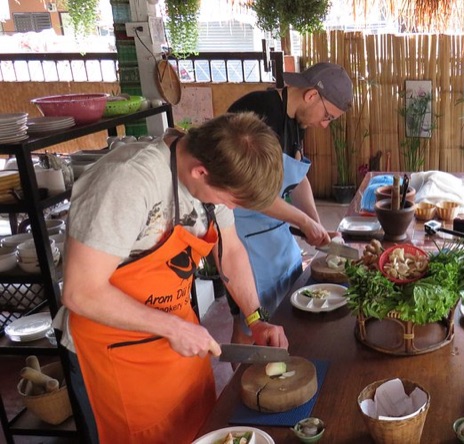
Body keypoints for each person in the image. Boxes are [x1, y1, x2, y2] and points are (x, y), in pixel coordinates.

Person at [58, 112, 288, 444]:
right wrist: (173, 328)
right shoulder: (127, 182)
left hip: (177, 341)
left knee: (199, 429)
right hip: (113, 356)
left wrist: (256, 317)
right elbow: (81, 292)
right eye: (231, 201)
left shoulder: (219, 170)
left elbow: (231, 250)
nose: (231, 209)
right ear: (200, 171)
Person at [226, 62, 353, 336]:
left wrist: (316, 227)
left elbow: (297, 179)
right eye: (328, 116)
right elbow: (251, 193)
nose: (324, 124)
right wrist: (303, 221)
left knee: (288, 308)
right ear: (310, 96)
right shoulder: (257, 115)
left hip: (277, 235)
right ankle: (243, 378)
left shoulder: (296, 121)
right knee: (251, 324)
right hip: (244, 241)